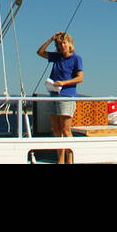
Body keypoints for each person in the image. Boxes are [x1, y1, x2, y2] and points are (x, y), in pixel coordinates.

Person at [37, 31, 83, 163]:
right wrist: (51, 39)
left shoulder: (76, 59)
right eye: (59, 43)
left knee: (65, 130)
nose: (62, 45)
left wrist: (63, 83)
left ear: (70, 44)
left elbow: (80, 78)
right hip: (53, 96)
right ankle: (60, 160)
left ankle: (70, 160)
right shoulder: (56, 57)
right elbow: (40, 52)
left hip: (67, 96)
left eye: (64, 42)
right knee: (56, 131)